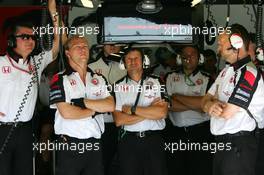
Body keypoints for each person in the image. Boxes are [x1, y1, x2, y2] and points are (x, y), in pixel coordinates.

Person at [0, 0, 65, 174]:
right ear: (12, 41)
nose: (31, 41)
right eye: (25, 37)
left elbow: (58, 42)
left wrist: (53, 11)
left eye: (33, 37)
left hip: (26, 131)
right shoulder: (0, 63)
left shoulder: (37, 62)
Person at [201, 24, 264, 175]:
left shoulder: (249, 73)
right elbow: (204, 100)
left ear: (236, 43)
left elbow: (226, 113)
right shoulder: (226, 72)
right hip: (222, 144)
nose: (218, 50)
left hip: (239, 145)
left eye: (221, 44)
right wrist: (209, 104)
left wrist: (212, 104)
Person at [49, 35, 115, 175]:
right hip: (69, 145)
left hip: (94, 145)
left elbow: (110, 105)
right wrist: (96, 110)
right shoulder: (60, 78)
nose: (82, 49)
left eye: (85, 46)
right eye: (77, 47)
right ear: (67, 53)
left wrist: (82, 103)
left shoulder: (98, 78)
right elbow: (67, 112)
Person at [113, 48, 168, 175]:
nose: (133, 61)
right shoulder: (117, 86)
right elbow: (119, 120)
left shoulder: (157, 81)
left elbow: (162, 113)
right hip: (129, 142)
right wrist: (150, 111)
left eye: (136, 58)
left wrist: (132, 110)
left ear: (144, 61)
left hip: (153, 140)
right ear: (124, 63)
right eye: (129, 59)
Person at [165, 45, 213, 175]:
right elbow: (168, 105)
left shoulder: (207, 78)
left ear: (199, 58)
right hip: (175, 134)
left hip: (200, 134)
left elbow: (207, 107)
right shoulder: (170, 76)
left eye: (192, 54)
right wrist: (197, 104)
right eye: (185, 54)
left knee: (200, 170)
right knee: (175, 170)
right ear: (179, 58)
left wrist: (177, 97)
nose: (188, 57)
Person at [88, 44, 127, 175]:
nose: (112, 46)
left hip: (126, 125)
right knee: (101, 165)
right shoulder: (90, 67)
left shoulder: (127, 66)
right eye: (108, 42)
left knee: (124, 166)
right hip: (100, 125)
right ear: (102, 44)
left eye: (116, 42)